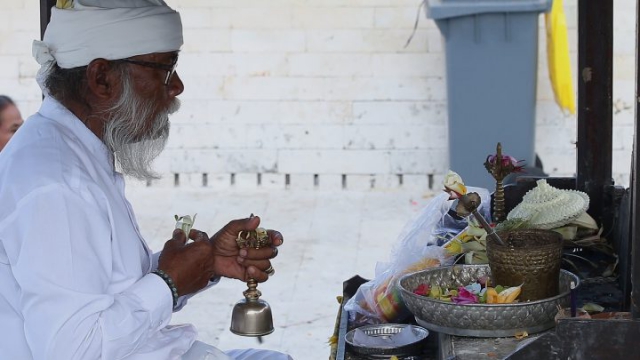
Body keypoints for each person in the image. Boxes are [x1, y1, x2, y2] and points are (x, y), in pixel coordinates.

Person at [0, 1, 291, 360]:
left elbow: (105, 294)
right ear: (102, 78)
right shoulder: (57, 185)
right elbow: (74, 349)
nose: (178, 87)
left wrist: (207, 261)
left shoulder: (73, 149)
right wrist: (168, 283)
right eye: (166, 70)